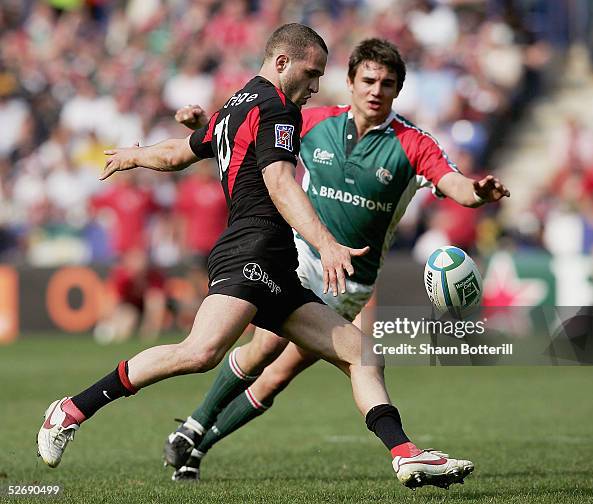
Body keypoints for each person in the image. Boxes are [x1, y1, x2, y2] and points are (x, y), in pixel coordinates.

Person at [36, 24, 475, 490]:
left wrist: (135, 154)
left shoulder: (238, 104)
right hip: (249, 250)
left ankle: (407, 456)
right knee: (200, 352)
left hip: (275, 262)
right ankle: (71, 409)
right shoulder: (278, 110)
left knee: (362, 354)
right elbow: (281, 183)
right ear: (282, 63)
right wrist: (326, 243)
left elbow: (179, 154)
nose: (313, 87)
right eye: (311, 74)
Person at [165, 38, 510, 482]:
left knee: (277, 376)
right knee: (263, 349)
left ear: (397, 91)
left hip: (351, 284)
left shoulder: (412, 144)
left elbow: (455, 184)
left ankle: (194, 445)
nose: (376, 90)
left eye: (387, 83)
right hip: (301, 258)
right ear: (348, 83)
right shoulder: (314, 122)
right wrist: (205, 126)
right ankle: (192, 429)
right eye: (367, 80)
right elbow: (251, 129)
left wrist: (476, 193)